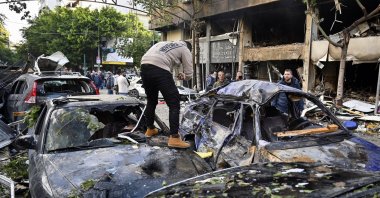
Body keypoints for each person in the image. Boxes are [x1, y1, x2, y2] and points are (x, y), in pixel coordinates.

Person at [140, 40, 193, 148]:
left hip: (144, 66)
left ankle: (150, 129)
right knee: (174, 102)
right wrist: (185, 76)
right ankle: (174, 138)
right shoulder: (185, 48)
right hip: (160, 68)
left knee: (151, 100)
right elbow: (188, 73)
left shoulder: (164, 43)